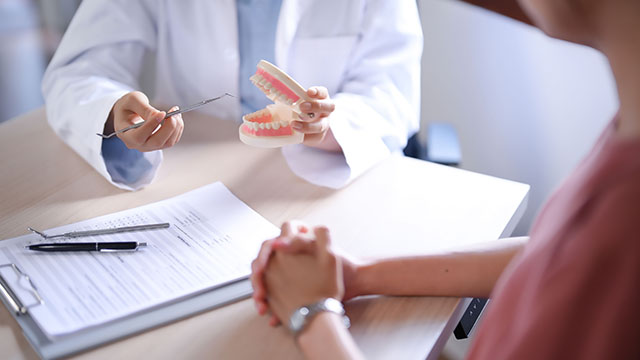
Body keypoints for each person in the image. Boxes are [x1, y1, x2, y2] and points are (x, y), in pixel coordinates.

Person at [249, 0, 640, 358]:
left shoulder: (623, 225)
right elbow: (553, 253)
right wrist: (358, 273)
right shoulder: (624, 138)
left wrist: (314, 314)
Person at [42, 0, 422, 190]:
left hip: (328, 186)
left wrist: (327, 128)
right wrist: (112, 112)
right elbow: (78, 72)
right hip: (193, 180)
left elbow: (391, 93)